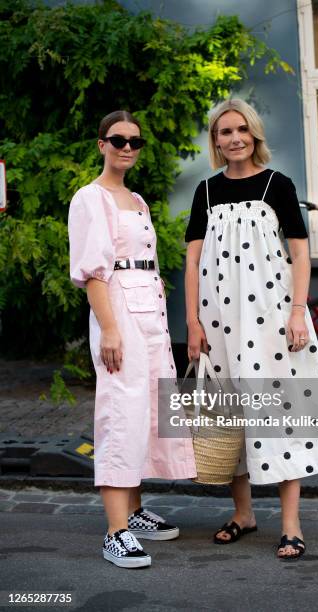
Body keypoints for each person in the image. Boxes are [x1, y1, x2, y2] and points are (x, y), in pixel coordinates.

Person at [184, 99, 318, 560]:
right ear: (215, 141)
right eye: (224, 132)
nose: (233, 138)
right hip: (219, 322)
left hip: (273, 320)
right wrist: (192, 321)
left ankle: (291, 523)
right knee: (230, 415)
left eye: (241, 129)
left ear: (254, 134)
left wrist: (299, 312)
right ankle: (243, 514)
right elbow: (193, 259)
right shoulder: (207, 190)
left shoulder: (279, 184)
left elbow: (300, 253)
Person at [69, 110, 196, 568]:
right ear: (101, 143)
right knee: (121, 412)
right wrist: (109, 328)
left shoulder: (138, 200)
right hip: (118, 309)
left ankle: (136, 511)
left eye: (134, 141)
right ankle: (115, 530)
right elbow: (93, 271)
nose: (127, 147)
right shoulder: (90, 198)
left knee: (149, 408)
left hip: (150, 312)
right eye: (118, 139)